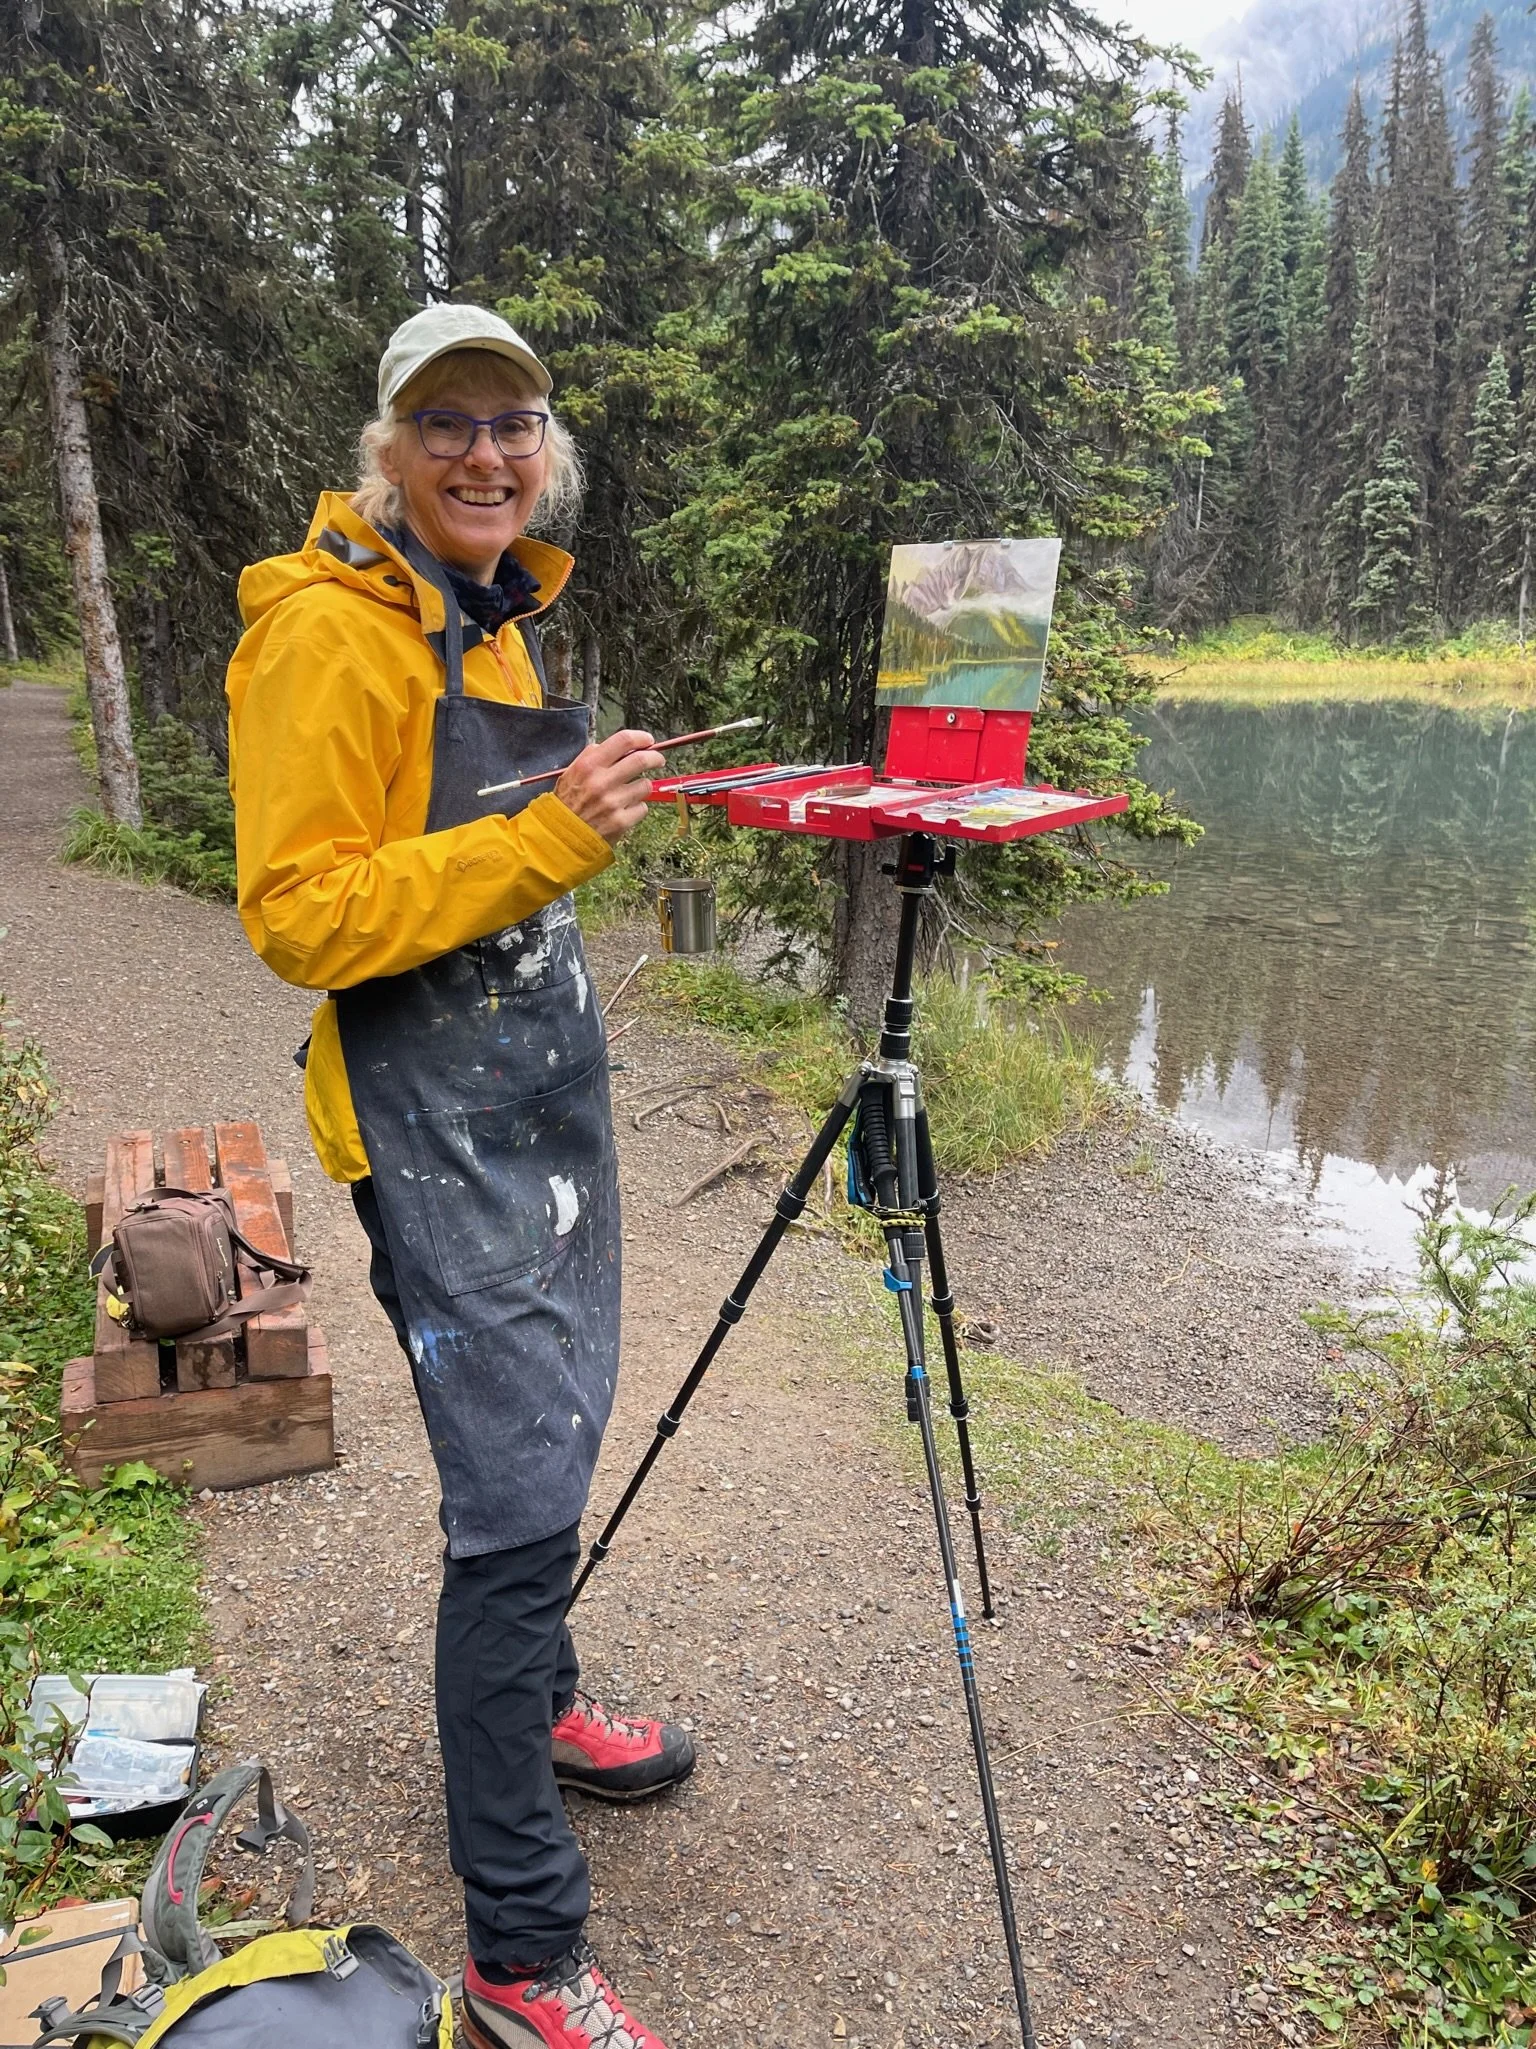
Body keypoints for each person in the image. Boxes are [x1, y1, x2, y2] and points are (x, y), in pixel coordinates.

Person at [226, 302, 692, 2049]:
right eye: (448, 426)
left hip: (535, 1118)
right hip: (432, 1140)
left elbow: (482, 858)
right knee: (509, 1519)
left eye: (513, 424)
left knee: (555, 1434)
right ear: (389, 452)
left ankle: (548, 1707)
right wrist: (550, 835)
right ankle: (521, 1940)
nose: (486, 454)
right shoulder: (331, 643)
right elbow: (299, 916)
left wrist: (563, 824)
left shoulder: (488, 621)